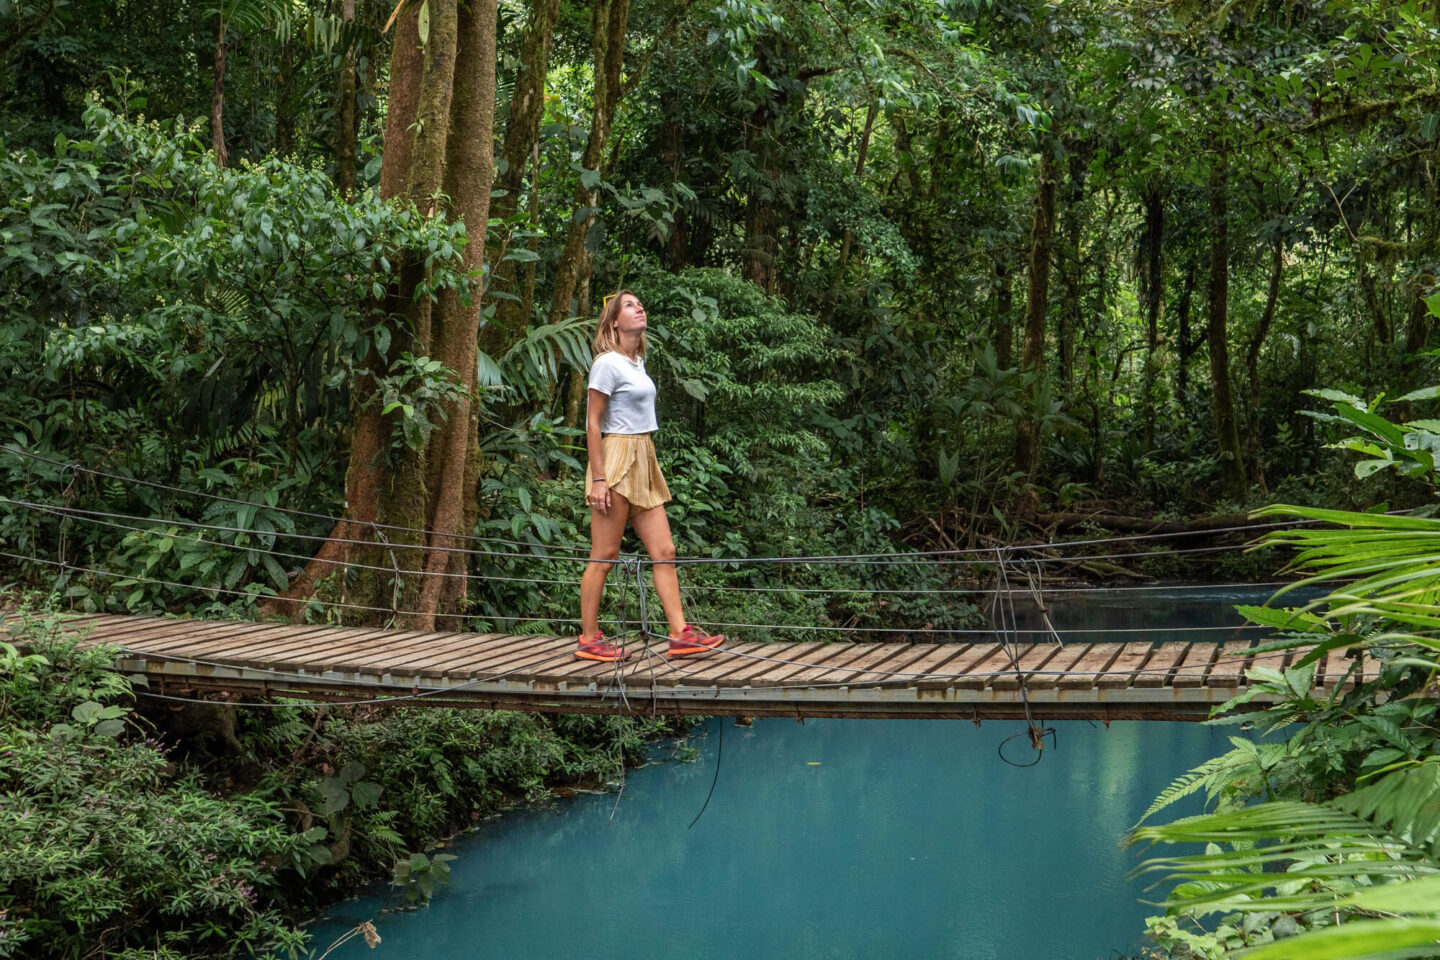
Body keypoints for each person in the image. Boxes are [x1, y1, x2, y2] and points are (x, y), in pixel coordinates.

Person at [575, 290, 725, 662]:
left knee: (665, 551)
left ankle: (680, 635)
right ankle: (588, 639)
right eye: (629, 305)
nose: (639, 307)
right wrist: (598, 478)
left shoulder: (636, 362)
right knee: (605, 554)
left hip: (644, 455)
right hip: (617, 455)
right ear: (613, 322)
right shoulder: (607, 363)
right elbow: (593, 423)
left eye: (640, 303)